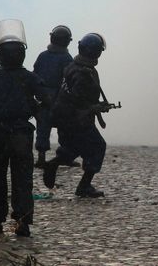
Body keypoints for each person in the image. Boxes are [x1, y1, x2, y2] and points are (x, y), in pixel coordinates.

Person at [0, 19, 46, 237]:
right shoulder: (31, 78)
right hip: (20, 135)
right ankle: (22, 222)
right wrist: (32, 107)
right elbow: (47, 101)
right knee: (23, 180)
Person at [43, 33, 110, 198]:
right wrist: (94, 108)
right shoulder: (84, 74)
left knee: (74, 147)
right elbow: (76, 100)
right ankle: (84, 186)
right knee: (98, 147)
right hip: (76, 121)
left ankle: (53, 164)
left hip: (64, 119)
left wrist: (95, 106)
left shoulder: (73, 66)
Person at [32, 25, 74, 168]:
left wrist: (39, 95)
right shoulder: (67, 58)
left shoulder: (43, 56)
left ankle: (41, 157)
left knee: (43, 128)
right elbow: (70, 80)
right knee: (65, 128)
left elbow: (35, 75)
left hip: (43, 97)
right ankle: (63, 157)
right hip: (59, 98)